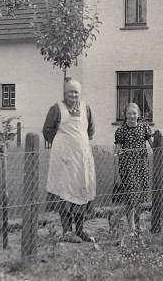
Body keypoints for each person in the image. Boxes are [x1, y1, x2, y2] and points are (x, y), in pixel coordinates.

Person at [42, 78, 96, 243]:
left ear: (80, 93)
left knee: (81, 190)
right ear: (65, 93)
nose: (73, 95)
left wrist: (79, 145)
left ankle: (80, 230)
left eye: (76, 92)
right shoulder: (56, 109)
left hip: (81, 159)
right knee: (64, 192)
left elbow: (91, 130)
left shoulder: (85, 108)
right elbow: (47, 131)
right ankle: (67, 231)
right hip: (63, 160)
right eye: (70, 92)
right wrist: (62, 146)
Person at [113, 103, 153, 235]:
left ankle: (136, 223)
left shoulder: (144, 127)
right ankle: (131, 227)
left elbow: (153, 144)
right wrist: (120, 155)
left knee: (140, 196)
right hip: (127, 166)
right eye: (129, 113)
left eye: (134, 113)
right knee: (131, 196)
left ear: (139, 115)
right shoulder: (121, 130)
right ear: (125, 115)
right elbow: (117, 150)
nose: (132, 116)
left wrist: (158, 144)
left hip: (142, 164)